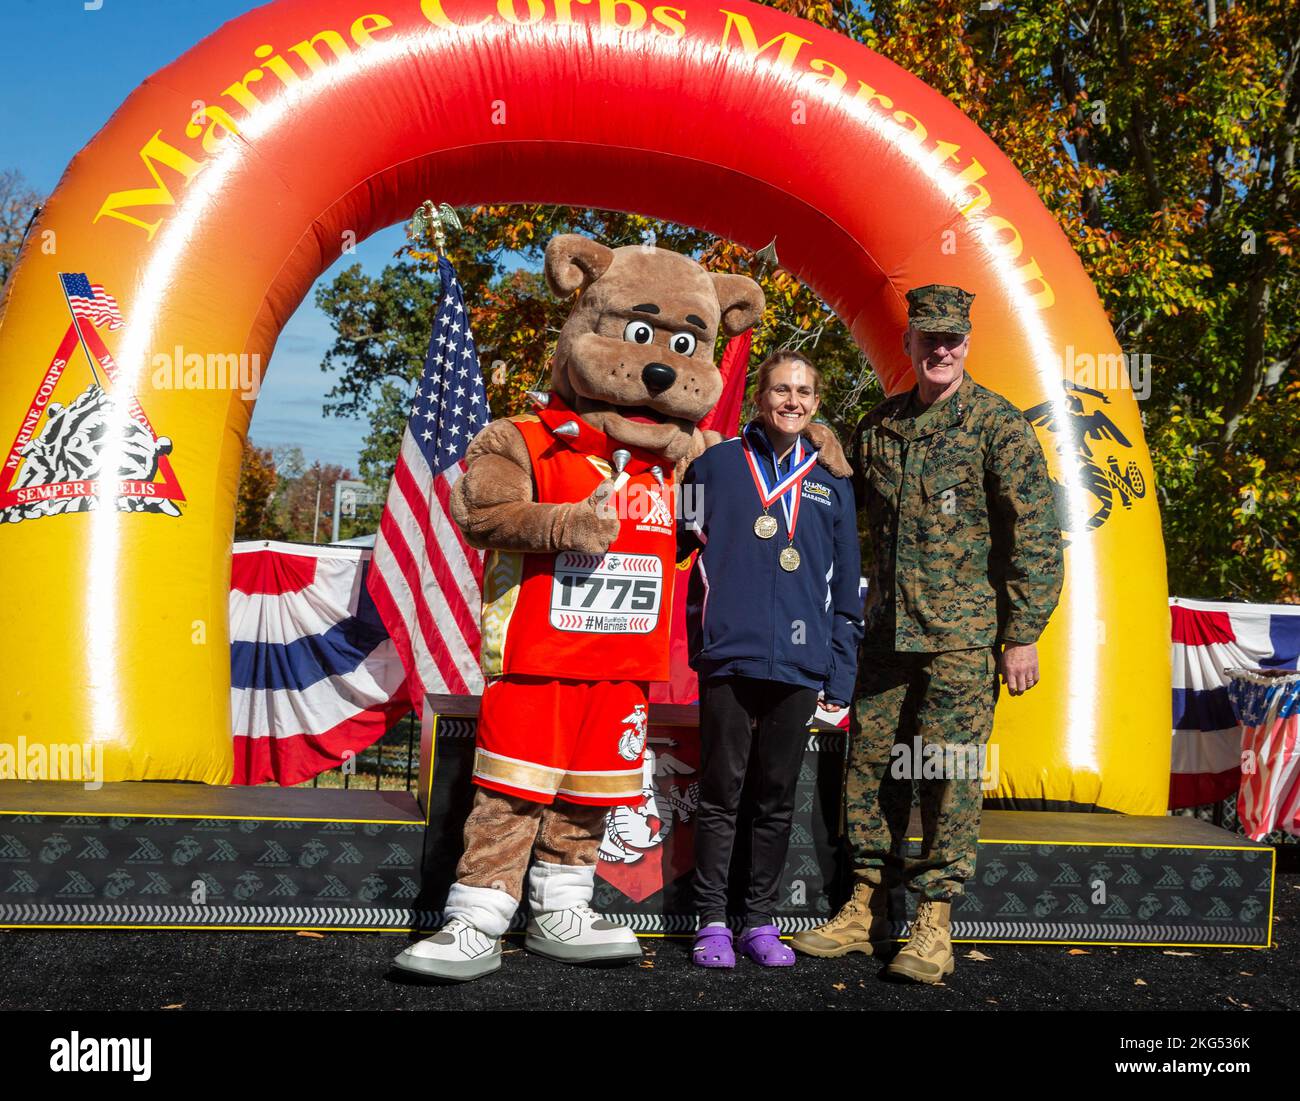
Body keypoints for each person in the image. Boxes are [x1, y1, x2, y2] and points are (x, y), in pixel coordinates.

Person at [790, 284, 1064, 983]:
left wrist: (1022, 631)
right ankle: (865, 906)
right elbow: (845, 513)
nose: (941, 350)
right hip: (886, 638)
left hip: (962, 638)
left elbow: (1034, 534)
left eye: (953, 339)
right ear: (909, 343)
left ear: (967, 344)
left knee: (948, 775)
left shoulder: (998, 425)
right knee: (871, 771)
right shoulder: (878, 427)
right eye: (929, 338)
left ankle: (934, 920)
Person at [678, 351, 863, 968]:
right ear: (759, 397)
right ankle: (709, 921)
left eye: (804, 391)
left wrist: (839, 670)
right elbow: (679, 549)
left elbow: (846, 586)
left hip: (801, 664)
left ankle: (759, 922)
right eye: (781, 389)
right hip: (729, 658)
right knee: (721, 792)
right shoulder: (714, 467)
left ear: (816, 402)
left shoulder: (833, 481)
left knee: (776, 797)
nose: (792, 400)